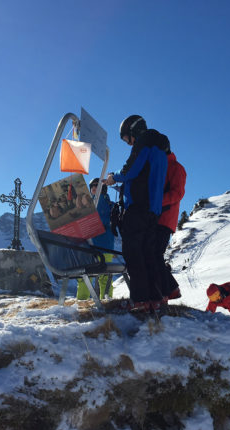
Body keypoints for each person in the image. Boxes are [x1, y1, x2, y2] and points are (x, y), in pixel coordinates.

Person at [103, 115, 168, 311]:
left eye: (126, 139)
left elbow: (131, 170)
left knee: (133, 252)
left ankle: (139, 299)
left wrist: (114, 177)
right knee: (148, 253)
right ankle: (154, 299)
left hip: (138, 206)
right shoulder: (161, 149)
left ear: (133, 132)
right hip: (153, 209)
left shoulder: (144, 143)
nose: (128, 143)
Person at [76, 178, 116, 300]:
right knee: (102, 275)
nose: (94, 187)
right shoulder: (94, 202)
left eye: (97, 186)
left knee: (91, 274)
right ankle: (104, 299)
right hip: (100, 244)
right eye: (92, 186)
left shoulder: (103, 202)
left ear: (103, 188)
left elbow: (102, 220)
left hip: (100, 244)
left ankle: (85, 300)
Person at [155, 148, 186, 302]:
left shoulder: (176, 168)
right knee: (153, 255)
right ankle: (169, 290)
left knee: (153, 254)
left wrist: (156, 202)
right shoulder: (160, 167)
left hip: (165, 219)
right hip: (156, 218)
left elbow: (177, 193)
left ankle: (168, 291)